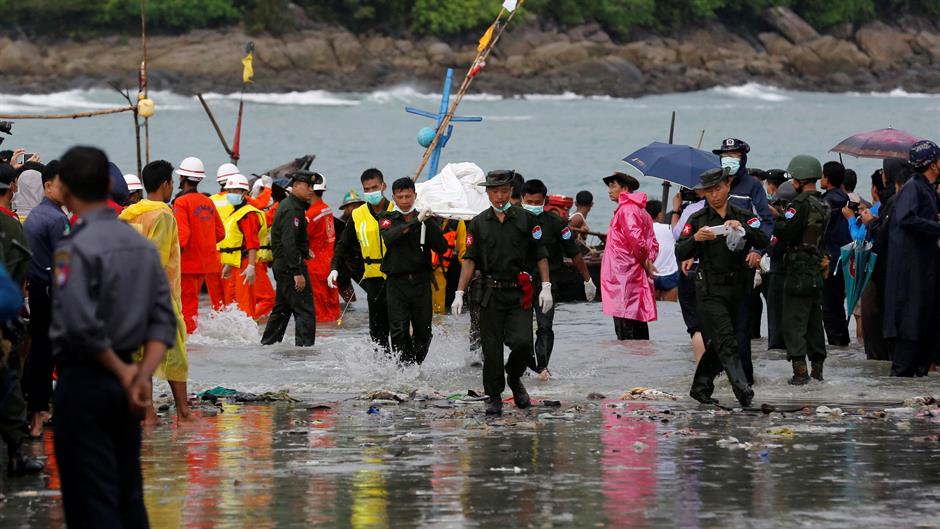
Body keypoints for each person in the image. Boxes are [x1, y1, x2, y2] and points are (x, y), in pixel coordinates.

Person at [50, 146, 176, 528]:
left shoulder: (72, 248)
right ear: (108, 186)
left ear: (66, 190)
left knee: (89, 497)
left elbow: (79, 324)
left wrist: (122, 374)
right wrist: (140, 375)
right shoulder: (140, 245)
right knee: (128, 491)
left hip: (86, 380)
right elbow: (163, 321)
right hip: (131, 379)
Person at [452, 170, 551, 416]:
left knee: (523, 344)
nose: (499, 196)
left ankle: (515, 378)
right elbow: (469, 260)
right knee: (491, 348)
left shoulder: (526, 219)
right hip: (489, 293)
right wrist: (459, 292)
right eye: (495, 191)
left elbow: (540, 254)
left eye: (504, 191)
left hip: (519, 293)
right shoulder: (478, 222)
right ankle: (494, 396)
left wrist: (547, 287)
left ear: (511, 192)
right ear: (487, 192)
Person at [675, 167, 769, 408]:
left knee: (732, 339)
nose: (714, 195)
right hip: (710, 290)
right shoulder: (698, 220)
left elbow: (765, 239)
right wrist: (695, 239)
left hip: (740, 288)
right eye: (709, 191)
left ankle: (700, 387)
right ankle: (742, 389)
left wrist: (744, 229)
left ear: (727, 186)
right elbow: (680, 251)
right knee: (726, 339)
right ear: (703, 193)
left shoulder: (743, 214)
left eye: (718, 189)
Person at [119, 160, 192, 421]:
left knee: (141, 355)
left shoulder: (130, 213)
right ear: (166, 184)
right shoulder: (162, 215)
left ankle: (148, 413)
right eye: (171, 182)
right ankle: (183, 413)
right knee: (176, 355)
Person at [521, 179, 595, 378]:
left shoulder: (556, 223)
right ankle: (528, 365)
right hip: (520, 283)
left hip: (549, 282)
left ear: (545, 201)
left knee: (545, 326)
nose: (534, 206)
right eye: (530, 202)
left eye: (538, 203)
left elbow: (574, 253)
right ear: (522, 199)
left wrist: (587, 280)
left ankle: (543, 366)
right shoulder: (513, 221)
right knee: (522, 330)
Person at [712, 139, 773, 382]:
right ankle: (716, 377)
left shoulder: (752, 187)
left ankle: (745, 378)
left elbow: (766, 221)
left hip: (742, 265)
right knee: (715, 326)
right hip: (715, 265)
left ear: (743, 157)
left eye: (735, 155)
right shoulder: (714, 182)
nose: (729, 159)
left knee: (740, 327)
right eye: (725, 155)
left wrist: (758, 249)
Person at [883, 140, 940, 377]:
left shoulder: (926, 187)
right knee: (911, 323)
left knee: (924, 322)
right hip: (912, 268)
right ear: (933, 164)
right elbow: (906, 218)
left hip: (925, 265)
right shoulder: (913, 187)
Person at [0, 163, 43, 475]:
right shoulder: (11, 226)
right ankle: (15, 451)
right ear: (10, 186)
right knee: (8, 381)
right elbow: (21, 274)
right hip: (5, 317)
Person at [22, 160, 70, 437]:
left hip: (37, 292)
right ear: (48, 185)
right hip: (53, 294)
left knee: (40, 352)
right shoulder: (57, 219)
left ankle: (36, 412)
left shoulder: (36, 216)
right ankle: (46, 411)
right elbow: (65, 267)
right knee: (53, 354)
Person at [379, 178, 448, 364]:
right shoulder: (387, 218)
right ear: (393, 197)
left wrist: (433, 222)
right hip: (396, 283)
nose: (404, 200)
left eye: (408, 196)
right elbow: (390, 238)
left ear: (415, 196)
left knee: (424, 332)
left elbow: (442, 247)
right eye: (400, 197)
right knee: (399, 330)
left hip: (421, 283)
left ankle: (416, 365)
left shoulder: (426, 220)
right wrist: (416, 222)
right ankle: (404, 366)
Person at [774, 156, 830, 384]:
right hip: (816, 267)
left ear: (798, 178)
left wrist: (776, 217)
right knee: (815, 320)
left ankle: (800, 373)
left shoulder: (799, 205)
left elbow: (785, 231)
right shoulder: (824, 204)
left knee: (794, 320)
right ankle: (817, 372)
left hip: (798, 269)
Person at [328, 169, 394, 353]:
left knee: (398, 326)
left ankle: (404, 366)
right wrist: (334, 267)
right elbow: (343, 244)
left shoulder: (396, 209)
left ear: (383, 186)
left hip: (395, 277)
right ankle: (382, 366)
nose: (372, 192)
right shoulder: (358, 216)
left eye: (375, 187)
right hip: (372, 277)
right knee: (377, 330)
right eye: (367, 189)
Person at [261, 171, 317, 347]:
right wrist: (297, 272)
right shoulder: (292, 208)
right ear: (296, 185)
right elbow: (288, 242)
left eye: (312, 186)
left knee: (282, 310)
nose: (311, 190)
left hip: (284, 265)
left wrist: (305, 250)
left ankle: (268, 345)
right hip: (289, 266)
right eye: (307, 186)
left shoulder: (293, 205)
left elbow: (290, 239)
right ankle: (305, 351)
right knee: (305, 311)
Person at [600, 172, 658, 340]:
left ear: (624, 189)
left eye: (613, 186)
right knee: (636, 322)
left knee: (626, 328)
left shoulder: (627, 210)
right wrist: (648, 261)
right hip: (630, 274)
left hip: (624, 277)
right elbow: (652, 243)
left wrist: (645, 263)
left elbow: (638, 241)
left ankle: (628, 365)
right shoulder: (640, 210)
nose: (609, 190)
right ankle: (639, 363)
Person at [173, 156, 225, 334]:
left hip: (187, 264)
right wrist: (203, 243)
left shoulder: (181, 202)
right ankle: (192, 335)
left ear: (182, 178)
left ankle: (190, 343)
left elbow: (183, 236)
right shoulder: (207, 201)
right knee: (192, 303)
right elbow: (220, 233)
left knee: (186, 305)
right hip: (205, 264)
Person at [218, 174, 271, 320]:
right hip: (236, 263)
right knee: (233, 303)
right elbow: (235, 241)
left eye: (235, 191)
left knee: (245, 304)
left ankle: (250, 336)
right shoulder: (235, 212)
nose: (231, 194)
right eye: (229, 191)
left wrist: (252, 267)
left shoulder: (248, 215)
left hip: (246, 262)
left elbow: (252, 243)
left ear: (244, 193)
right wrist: (228, 264)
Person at [672, 189, 707, 362]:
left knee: (696, 326)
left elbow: (677, 235)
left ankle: (702, 369)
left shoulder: (692, 210)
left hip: (693, 270)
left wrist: (676, 210)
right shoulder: (735, 209)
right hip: (721, 273)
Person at [819, 161, 852, 346]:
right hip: (844, 257)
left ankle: (837, 344)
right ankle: (842, 342)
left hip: (830, 258)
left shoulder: (828, 201)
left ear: (828, 179)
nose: (820, 179)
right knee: (837, 305)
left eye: (823, 176)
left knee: (830, 308)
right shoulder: (845, 199)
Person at [305, 173, 340, 323]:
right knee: (333, 306)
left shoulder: (310, 214)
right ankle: (334, 337)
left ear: (311, 190)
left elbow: (299, 239)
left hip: (315, 266)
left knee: (318, 309)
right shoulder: (327, 209)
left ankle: (322, 341)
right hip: (330, 264)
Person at [333, 190, 365, 304]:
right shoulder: (338, 224)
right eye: (352, 206)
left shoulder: (364, 221)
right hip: (343, 267)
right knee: (349, 300)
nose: (355, 208)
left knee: (372, 292)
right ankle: (349, 316)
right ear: (345, 208)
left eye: (358, 205)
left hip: (359, 263)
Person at [430, 216, 467, 314]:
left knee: (437, 313)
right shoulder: (421, 216)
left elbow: (463, 251)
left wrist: (469, 272)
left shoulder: (458, 220)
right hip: (419, 272)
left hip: (440, 274)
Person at [645, 200, 679, 301]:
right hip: (670, 274)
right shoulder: (670, 229)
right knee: (670, 312)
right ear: (660, 214)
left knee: (651, 313)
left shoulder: (643, 230)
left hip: (650, 274)